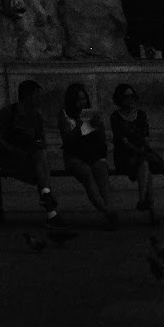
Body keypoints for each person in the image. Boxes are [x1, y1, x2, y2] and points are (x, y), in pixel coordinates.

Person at [0, 80, 60, 224]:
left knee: (40, 160)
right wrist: (14, 150)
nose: (39, 99)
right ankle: (49, 206)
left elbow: (41, 141)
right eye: (36, 95)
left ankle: (48, 203)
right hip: (10, 158)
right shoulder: (8, 112)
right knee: (42, 166)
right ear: (27, 96)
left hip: (29, 157)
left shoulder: (36, 117)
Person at [57, 84, 116, 227]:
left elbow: (101, 140)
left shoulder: (90, 114)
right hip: (74, 155)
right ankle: (107, 212)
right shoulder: (64, 115)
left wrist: (99, 125)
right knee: (87, 175)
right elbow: (68, 140)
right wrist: (80, 125)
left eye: (84, 99)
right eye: (78, 99)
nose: (82, 102)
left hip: (92, 154)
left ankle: (109, 211)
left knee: (102, 175)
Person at [111, 83, 164, 223]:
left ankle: (144, 201)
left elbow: (145, 137)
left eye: (132, 96)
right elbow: (123, 142)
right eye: (126, 97)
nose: (130, 99)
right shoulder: (116, 117)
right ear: (119, 98)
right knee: (145, 165)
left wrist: (142, 151)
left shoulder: (140, 115)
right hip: (125, 155)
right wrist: (140, 151)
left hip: (141, 153)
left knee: (145, 165)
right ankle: (149, 207)